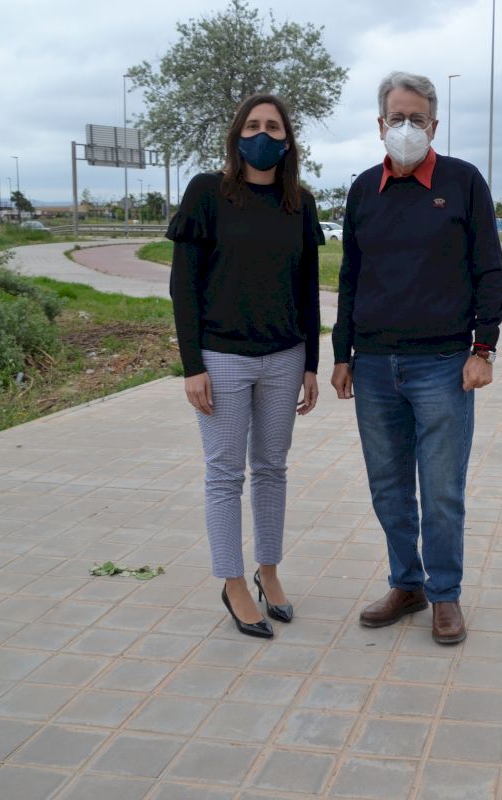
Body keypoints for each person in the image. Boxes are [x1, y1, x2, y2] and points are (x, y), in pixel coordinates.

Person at [331, 71, 502, 644]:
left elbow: (488, 268)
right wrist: (341, 353)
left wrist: (484, 348)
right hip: (374, 366)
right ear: (379, 124)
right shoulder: (364, 189)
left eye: (417, 118)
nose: (406, 127)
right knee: (388, 487)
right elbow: (350, 276)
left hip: (443, 366)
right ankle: (406, 585)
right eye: (397, 118)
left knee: (441, 491)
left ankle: (445, 594)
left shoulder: (463, 181)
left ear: (434, 124)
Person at [167, 93, 323, 639]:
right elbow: (183, 286)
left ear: (287, 140)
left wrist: (311, 364)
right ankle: (232, 582)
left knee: (273, 469)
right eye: (253, 125)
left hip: (285, 357)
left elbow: (308, 289)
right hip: (222, 359)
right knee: (225, 474)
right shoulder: (207, 193)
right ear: (237, 136)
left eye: (273, 127)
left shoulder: (300, 203)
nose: (263, 134)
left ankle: (268, 572)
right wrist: (192, 365)